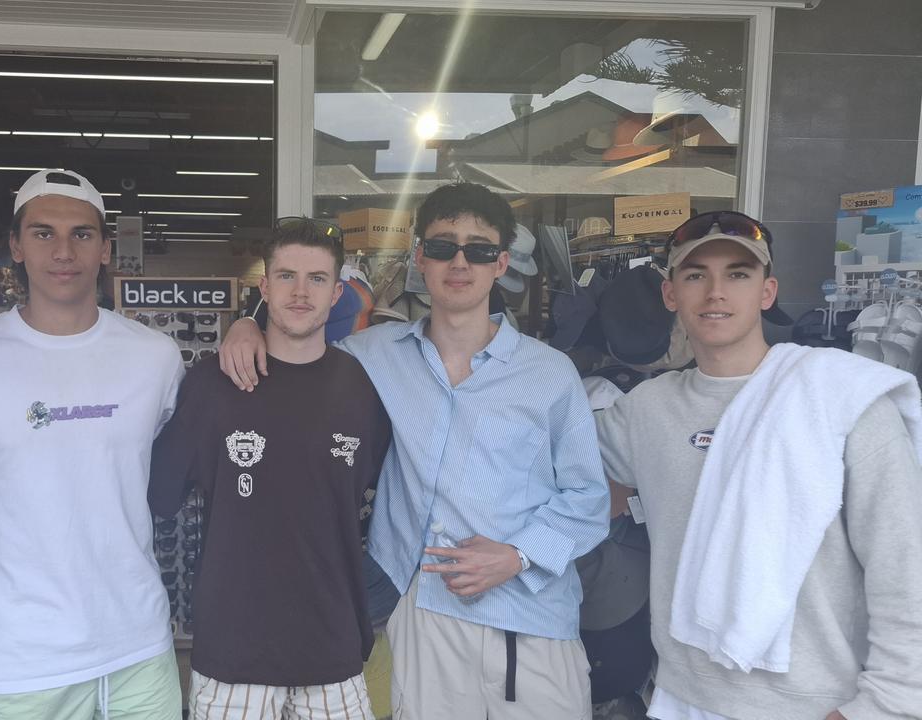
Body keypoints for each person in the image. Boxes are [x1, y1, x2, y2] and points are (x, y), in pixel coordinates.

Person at [219, 183, 609, 720]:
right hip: (422, 614)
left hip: (529, 619)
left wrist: (517, 555)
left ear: (500, 263)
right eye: (444, 245)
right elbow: (298, 345)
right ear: (418, 257)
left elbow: (589, 496)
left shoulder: (549, 373)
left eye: (477, 249)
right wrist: (246, 324)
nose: (459, 261)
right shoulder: (370, 357)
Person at [594, 211, 922, 720]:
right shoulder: (646, 409)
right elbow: (557, 460)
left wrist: (888, 703)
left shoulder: (840, 399)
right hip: (682, 697)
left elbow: (904, 563)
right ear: (671, 296)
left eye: (738, 274)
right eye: (696, 274)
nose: (716, 292)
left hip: (814, 704)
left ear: (767, 292)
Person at [0, 169, 185, 719]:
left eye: (82, 234)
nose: (64, 251)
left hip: (138, 642)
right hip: (22, 657)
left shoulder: (155, 357)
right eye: (43, 233)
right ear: (15, 245)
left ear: (106, 249)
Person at [149, 217, 391, 718]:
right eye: (286, 276)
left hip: (333, 649)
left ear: (337, 293)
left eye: (317, 279)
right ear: (264, 287)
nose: (301, 292)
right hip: (232, 656)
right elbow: (159, 495)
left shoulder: (365, 391)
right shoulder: (211, 386)